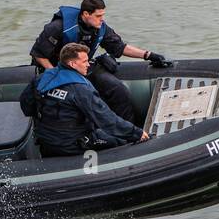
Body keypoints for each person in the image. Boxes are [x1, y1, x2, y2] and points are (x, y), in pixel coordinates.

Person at [29, 0, 171, 124]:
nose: (102, 19)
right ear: (86, 14)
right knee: (84, 97)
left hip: (82, 67)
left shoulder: (100, 27)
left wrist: (149, 55)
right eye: (98, 16)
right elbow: (38, 54)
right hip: (56, 70)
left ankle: (126, 131)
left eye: (102, 15)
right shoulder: (58, 27)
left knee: (118, 90)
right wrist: (56, 74)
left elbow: (120, 47)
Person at [20, 43, 150, 157]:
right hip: (72, 144)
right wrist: (135, 133)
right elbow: (106, 119)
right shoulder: (80, 89)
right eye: (84, 62)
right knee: (121, 140)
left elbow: (26, 106)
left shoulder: (41, 79)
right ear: (72, 64)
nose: (88, 65)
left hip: (46, 141)